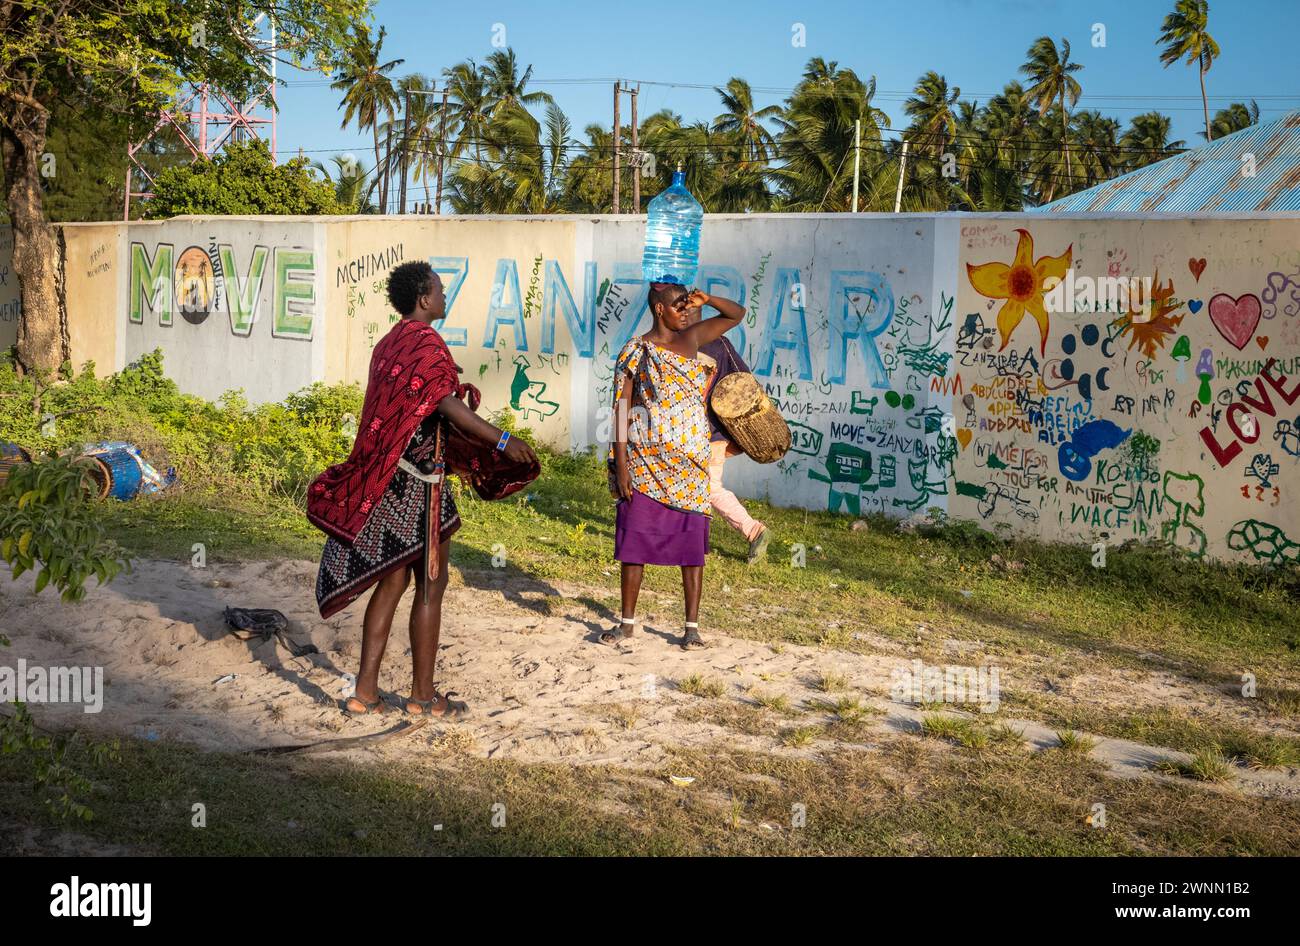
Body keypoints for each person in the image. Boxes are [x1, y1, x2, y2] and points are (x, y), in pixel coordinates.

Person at [307, 261, 538, 719]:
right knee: (431, 585)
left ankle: (364, 692)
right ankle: (423, 698)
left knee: (392, 581)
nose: (445, 296)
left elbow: (409, 413)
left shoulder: (389, 343)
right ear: (423, 298)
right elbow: (446, 406)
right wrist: (504, 441)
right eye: (439, 289)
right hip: (420, 487)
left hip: (388, 480)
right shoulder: (426, 342)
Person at [601, 282, 743, 650]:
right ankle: (627, 624)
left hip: (691, 464)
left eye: (689, 306)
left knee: (692, 546)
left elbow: (736, 314)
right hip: (645, 462)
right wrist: (620, 465)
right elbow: (620, 408)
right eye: (679, 306)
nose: (687, 312)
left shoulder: (693, 339)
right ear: (659, 309)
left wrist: (707, 299)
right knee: (636, 542)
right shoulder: (635, 351)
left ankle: (691, 629)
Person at [683, 299, 772, 563]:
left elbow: (742, 386)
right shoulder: (674, 344)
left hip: (711, 434)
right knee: (692, 488)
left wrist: (739, 435)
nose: (683, 318)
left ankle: (754, 531)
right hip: (683, 432)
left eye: (688, 312)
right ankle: (688, 539)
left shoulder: (719, 345)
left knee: (707, 487)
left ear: (699, 316)